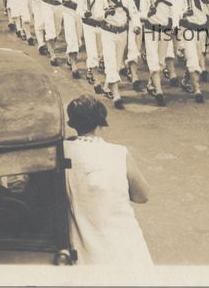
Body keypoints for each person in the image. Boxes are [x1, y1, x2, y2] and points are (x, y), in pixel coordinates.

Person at [64, 95, 152, 266]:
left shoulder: (63, 150)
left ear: (73, 123)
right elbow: (142, 196)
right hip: (126, 247)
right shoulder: (118, 153)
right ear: (101, 122)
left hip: (87, 252)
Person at [93, 0, 136, 110]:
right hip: (108, 32)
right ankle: (116, 95)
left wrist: (136, 25)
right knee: (110, 61)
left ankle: (107, 87)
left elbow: (133, 12)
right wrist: (106, 12)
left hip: (122, 32)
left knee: (117, 64)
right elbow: (96, 15)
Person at [178, 0, 209, 103]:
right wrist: (183, 13)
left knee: (197, 58)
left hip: (202, 31)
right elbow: (176, 11)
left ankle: (185, 80)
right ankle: (197, 89)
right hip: (189, 30)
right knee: (193, 59)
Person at [140, 0, 175, 106]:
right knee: (153, 60)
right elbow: (141, 14)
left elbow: (172, 12)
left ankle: (151, 84)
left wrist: (172, 27)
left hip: (165, 30)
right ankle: (159, 91)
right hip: (151, 30)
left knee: (160, 62)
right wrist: (149, 13)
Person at [64, 0, 88, 79]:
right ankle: (74, 66)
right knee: (71, 37)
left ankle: (70, 55)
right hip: (68, 10)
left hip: (80, 11)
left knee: (78, 39)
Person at [81, 0, 104, 85]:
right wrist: (84, 13)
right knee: (92, 51)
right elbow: (79, 10)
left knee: (100, 52)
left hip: (101, 26)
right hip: (89, 25)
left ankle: (92, 68)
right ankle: (93, 73)